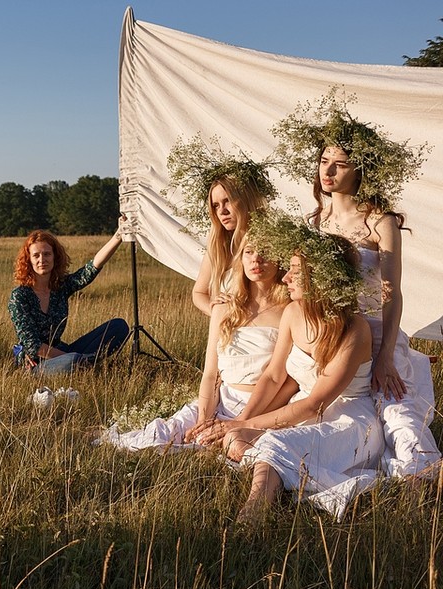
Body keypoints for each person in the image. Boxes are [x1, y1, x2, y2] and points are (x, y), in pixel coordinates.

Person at [272, 91, 439, 478]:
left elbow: (391, 293)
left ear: (360, 169)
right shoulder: (314, 223)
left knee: (396, 415)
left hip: (377, 333)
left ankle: (417, 481)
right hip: (334, 334)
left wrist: (383, 357)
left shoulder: (380, 222)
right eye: (323, 161)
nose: (328, 171)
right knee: (326, 413)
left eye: (340, 164)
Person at [192, 212, 382, 521]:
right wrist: (241, 420)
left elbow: (315, 404)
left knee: (273, 443)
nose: (284, 278)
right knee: (235, 440)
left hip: (347, 419)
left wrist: (241, 424)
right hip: (300, 410)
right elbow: (273, 374)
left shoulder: (354, 329)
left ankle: (253, 515)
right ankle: (291, 482)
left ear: (318, 276)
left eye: (294, 271)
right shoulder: (294, 312)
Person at [105, 235, 292, 450]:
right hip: (220, 398)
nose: (256, 260)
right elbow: (211, 374)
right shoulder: (224, 308)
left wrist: (240, 422)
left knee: (219, 449)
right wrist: (204, 418)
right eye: (249, 252)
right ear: (240, 258)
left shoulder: (289, 310)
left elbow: (287, 381)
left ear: (280, 258)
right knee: (160, 439)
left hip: (263, 407)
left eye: (266, 253)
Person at [165, 138, 276, 316]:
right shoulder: (220, 245)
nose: (222, 211)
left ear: (245, 198)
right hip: (228, 330)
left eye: (228, 201)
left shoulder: (271, 240)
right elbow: (198, 293)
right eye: (215, 205)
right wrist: (215, 310)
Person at [8, 224, 129, 375]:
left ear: (54, 257)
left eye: (47, 254)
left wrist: (118, 235)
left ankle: (82, 364)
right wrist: (75, 359)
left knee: (119, 326)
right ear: (28, 260)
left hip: (62, 352)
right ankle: (83, 364)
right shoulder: (19, 296)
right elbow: (34, 346)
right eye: (36, 255)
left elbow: (90, 269)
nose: (42, 260)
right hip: (36, 364)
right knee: (71, 361)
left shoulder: (61, 287)